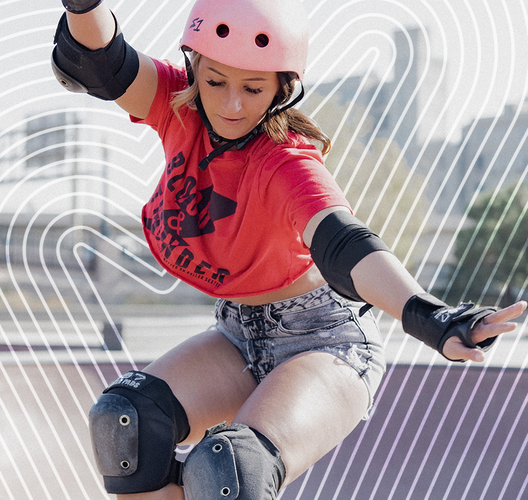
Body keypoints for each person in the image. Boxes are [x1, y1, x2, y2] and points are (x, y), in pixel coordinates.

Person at [51, 1, 527, 498]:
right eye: (215, 82)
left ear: (282, 88)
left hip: (327, 341)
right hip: (237, 334)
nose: (231, 105)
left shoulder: (286, 163)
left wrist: (430, 316)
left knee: (230, 471)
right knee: (126, 424)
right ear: (195, 68)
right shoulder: (178, 106)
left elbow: (345, 245)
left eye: (253, 89)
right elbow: (104, 59)